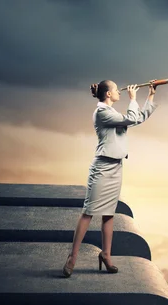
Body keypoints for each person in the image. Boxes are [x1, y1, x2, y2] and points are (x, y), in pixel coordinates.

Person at [62, 79, 159, 277]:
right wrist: (133, 98)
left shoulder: (113, 113)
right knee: (88, 212)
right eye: (116, 89)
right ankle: (72, 257)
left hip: (116, 167)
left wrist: (150, 95)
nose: (119, 92)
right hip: (102, 168)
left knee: (109, 214)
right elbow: (131, 119)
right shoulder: (102, 112)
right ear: (108, 94)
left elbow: (137, 118)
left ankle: (106, 255)